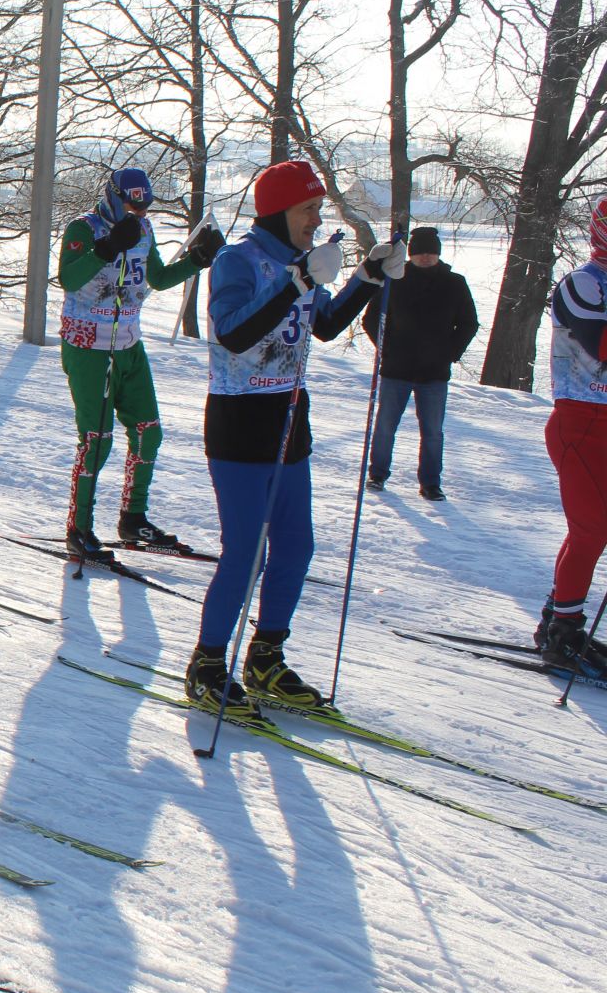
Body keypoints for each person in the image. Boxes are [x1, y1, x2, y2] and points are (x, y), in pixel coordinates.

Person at [184, 160, 402, 715]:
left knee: (296, 548)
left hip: (288, 420)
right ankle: (207, 663)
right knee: (245, 554)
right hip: (239, 423)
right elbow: (231, 333)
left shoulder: (296, 261)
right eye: (308, 208)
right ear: (279, 209)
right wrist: (299, 281)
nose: (315, 218)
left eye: (318, 209)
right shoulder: (240, 260)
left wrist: (367, 279)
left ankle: (265, 656)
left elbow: (323, 325)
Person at [58, 168, 223, 559]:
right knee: (97, 440)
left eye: (146, 205)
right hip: (88, 344)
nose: (140, 212)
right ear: (114, 197)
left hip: (129, 341)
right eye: (134, 204)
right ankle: (78, 527)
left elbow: (159, 278)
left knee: (149, 431)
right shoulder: (84, 229)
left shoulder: (144, 230)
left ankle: (133, 517)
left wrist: (198, 259)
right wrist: (106, 248)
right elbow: (68, 278)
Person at [537, 199, 607, 670]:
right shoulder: (583, 282)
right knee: (592, 530)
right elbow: (600, 342)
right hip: (581, 423)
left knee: (591, 530)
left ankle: (561, 610)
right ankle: (563, 630)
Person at [361, 226, 478, 501]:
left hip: (434, 373)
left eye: (431, 252)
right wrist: (386, 348)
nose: (426, 257)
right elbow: (371, 319)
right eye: (420, 252)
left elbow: (469, 323)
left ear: (438, 254)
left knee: (433, 432)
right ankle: (377, 474)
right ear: (411, 255)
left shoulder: (455, 283)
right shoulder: (393, 280)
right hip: (396, 368)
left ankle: (430, 483)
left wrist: (450, 352)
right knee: (386, 426)